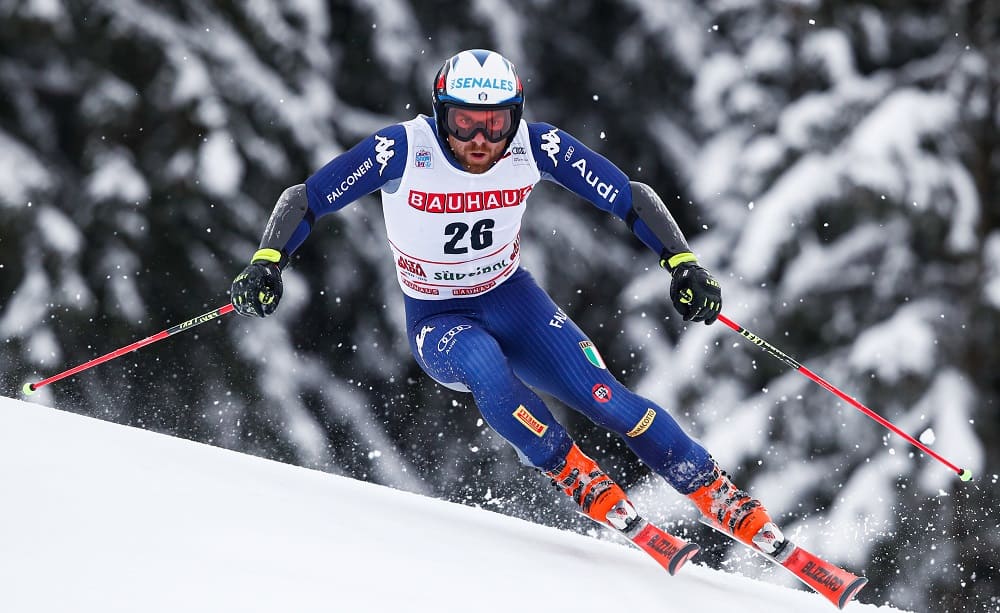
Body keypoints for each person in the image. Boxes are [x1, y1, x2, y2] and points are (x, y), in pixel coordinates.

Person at [231, 49, 784, 553]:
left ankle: (718, 493)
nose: (479, 139)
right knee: (484, 366)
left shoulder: (535, 146)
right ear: (440, 115)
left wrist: (682, 263)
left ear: (514, 118)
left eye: (494, 123)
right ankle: (570, 469)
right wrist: (267, 261)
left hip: (511, 298)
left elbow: (630, 196)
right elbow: (306, 198)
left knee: (608, 398)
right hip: (438, 315)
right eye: (464, 122)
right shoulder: (403, 149)